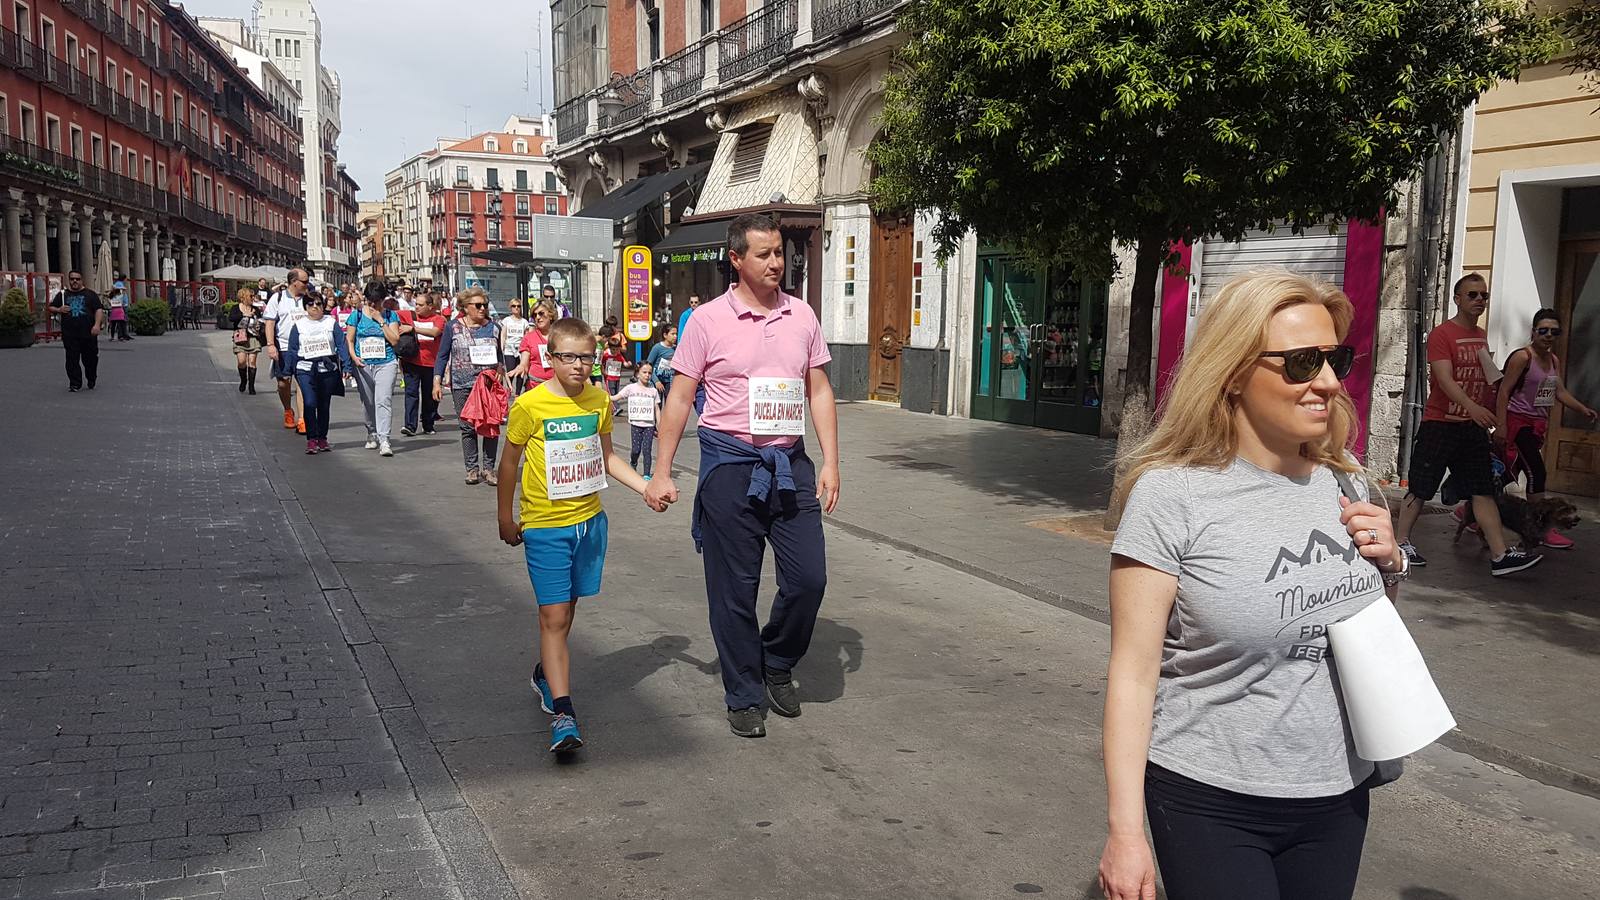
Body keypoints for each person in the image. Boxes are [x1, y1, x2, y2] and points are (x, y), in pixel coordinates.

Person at [1097, 272, 1408, 900]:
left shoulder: (1349, 484)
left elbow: (1358, 631)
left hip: (1336, 791)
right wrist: (1124, 833)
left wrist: (1391, 564)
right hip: (1210, 796)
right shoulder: (1171, 496)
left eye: (1334, 359)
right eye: (1300, 362)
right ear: (1234, 371)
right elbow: (1133, 674)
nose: (1326, 381)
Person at [644, 214, 840, 739]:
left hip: (789, 462)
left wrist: (831, 461)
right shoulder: (706, 321)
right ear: (736, 259)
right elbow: (681, 397)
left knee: (808, 579)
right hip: (730, 464)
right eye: (764, 254)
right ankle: (744, 692)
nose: (777, 262)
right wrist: (660, 472)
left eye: (780, 252)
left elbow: (818, 389)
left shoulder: (802, 316)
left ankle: (776, 658)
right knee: (734, 589)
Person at [496, 316, 650, 753]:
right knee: (555, 616)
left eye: (587, 358)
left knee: (568, 609)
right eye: (569, 358)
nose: (579, 366)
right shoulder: (530, 405)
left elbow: (608, 458)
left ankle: (547, 671)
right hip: (544, 525)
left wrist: (645, 487)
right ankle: (563, 713)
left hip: (589, 524)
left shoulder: (600, 402)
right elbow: (509, 463)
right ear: (550, 357)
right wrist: (505, 518)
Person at [1394, 273, 1542, 576]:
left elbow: (1488, 378)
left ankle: (1500, 556)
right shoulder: (1442, 335)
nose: (1479, 300)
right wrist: (1473, 408)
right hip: (1440, 424)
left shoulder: (1480, 335)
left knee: (1483, 489)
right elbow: (1444, 379)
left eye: (1483, 296)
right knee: (1421, 488)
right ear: (1457, 299)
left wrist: (1495, 415)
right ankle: (1400, 543)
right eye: (1472, 295)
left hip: (1471, 429)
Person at [1495, 307, 1598, 548]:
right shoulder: (1523, 357)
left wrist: (1582, 409)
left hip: (1537, 426)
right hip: (1517, 424)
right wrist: (1501, 425)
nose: (1549, 335)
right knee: (1536, 473)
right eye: (1543, 330)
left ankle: (1471, 511)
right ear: (1533, 332)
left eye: (1555, 331)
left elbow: (1558, 390)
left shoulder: (1553, 360)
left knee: (1504, 474)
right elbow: (1504, 391)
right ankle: (1540, 524)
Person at [434, 287, 503, 484]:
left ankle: (488, 469)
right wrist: (436, 380)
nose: (483, 309)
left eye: (485, 305)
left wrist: (500, 372)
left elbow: (499, 356)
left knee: (491, 426)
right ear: (465, 307)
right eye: (478, 305)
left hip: (487, 384)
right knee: (467, 428)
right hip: (462, 384)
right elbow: (442, 355)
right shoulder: (453, 327)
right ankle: (472, 468)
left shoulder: (494, 327)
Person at [284, 293, 351, 454]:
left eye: (319, 304)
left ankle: (322, 437)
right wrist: (287, 370)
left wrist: (347, 366)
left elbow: (341, 345)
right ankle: (311, 438)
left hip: (326, 369)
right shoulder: (299, 325)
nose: (315, 307)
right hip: (305, 369)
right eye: (311, 304)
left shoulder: (330, 322)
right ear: (305, 307)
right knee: (309, 403)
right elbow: (292, 350)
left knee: (323, 405)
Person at [346, 281, 404, 457]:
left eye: (377, 301)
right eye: (370, 301)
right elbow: (349, 339)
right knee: (369, 401)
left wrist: (380, 321)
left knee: (383, 400)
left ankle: (384, 438)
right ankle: (371, 430)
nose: (373, 305)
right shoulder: (356, 315)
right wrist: (354, 358)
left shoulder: (390, 316)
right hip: (363, 363)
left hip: (386, 362)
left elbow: (394, 340)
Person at [264, 268, 312, 434]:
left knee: (303, 383)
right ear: (294, 282)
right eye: (304, 282)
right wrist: (271, 345)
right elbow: (269, 322)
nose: (307, 284)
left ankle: (302, 418)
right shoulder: (278, 298)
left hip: (305, 347)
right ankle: (287, 410)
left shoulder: (309, 299)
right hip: (283, 347)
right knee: (283, 382)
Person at [48, 271, 104, 392]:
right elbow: (50, 307)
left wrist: (97, 325)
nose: (75, 281)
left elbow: (98, 310)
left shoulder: (90, 294)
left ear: (81, 280)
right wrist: (59, 309)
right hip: (70, 334)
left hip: (88, 333)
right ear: (69, 280)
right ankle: (75, 383)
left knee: (90, 359)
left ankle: (91, 377)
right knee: (72, 359)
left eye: (77, 279)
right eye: (72, 279)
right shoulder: (63, 295)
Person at [400, 292, 445, 436]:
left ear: (430, 306)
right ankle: (410, 425)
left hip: (431, 363)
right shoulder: (410, 316)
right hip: (411, 361)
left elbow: (434, 332)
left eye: (420, 305)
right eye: (416, 304)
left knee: (428, 396)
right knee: (411, 393)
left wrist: (413, 328)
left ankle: (428, 424)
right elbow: (390, 310)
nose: (417, 307)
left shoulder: (439, 319)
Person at [614, 362, 660, 478]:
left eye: (650, 373)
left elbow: (657, 409)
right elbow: (616, 397)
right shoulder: (631, 388)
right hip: (635, 424)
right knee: (636, 450)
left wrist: (660, 425)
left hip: (649, 425)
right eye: (644, 372)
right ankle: (633, 462)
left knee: (647, 450)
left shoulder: (653, 390)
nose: (647, 375)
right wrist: (604, 396)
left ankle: (646, 474)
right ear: (637, 374)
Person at [511, 299, 557, 391]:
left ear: (551, 315)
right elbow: (524, 361)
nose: (538, 317)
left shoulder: (561, 336)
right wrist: (521, 367)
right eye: (534, 315)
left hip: (556, 386)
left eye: (541, 313)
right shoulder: (529, 338)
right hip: (534, 386)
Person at [231, 287, 267, 394]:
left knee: (252, 361)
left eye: (253, 296)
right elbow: (231, 318)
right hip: (240, 337)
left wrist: (258, 324)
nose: (253, 298)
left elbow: (260, 321)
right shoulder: (236, 308)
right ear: (243, 297)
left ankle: (251, 386)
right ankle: (243, 380)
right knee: (241, 362)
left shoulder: (255, 309)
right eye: (250, 296)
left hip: (253, 337)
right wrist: (244, 315)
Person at [500, 297, 531, 393]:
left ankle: (518, 393)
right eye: (514, 306)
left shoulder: (524, 322)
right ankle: (509, 390)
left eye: (518, 306)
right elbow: (503, 336)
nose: (516, 308)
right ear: (510, 308)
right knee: (510, 371)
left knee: (520, 371)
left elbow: (526, 337)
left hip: (520, 349)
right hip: (509, 349)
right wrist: (502, 349)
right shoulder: (507, 320)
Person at [646, 324, 678, 396]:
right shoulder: (657, 348)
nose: (675, 336)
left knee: (669, 404)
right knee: (658, 404)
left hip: (670, 381)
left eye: (676, 334)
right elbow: (648, 364)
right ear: (665, 335)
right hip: (657, 380)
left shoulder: (676, 349)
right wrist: (656, 381)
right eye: (672, 334)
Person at [601, 326, 630, 395]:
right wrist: (603, 371)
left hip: (617, 377)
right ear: (610, 348)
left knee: (616, 393)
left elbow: (624, 362)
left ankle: (613, 404)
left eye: (617, 349)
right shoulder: (606, 355)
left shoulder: (619, 355)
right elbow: (601, 363)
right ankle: (614, 405)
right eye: (613, 349)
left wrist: (628, 364)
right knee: (611, 393)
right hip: (609, 377)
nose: (615, 351)